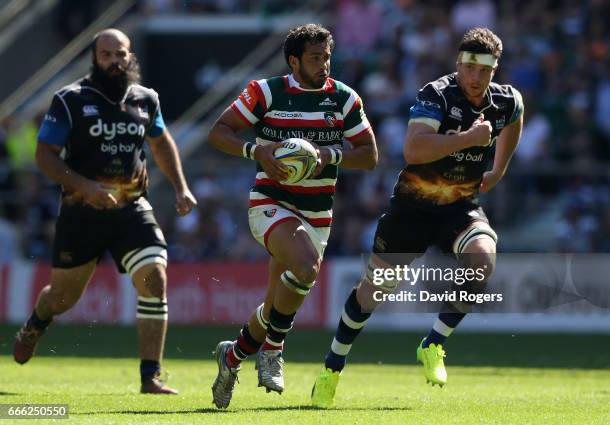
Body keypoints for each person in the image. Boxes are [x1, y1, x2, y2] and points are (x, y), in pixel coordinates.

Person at [311, 27, 524, 407]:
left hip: (460, 207)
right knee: (371, 293)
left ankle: (434, 343)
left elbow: (516, 117)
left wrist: (499, 169)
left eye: (485, 70)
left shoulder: (505, 101)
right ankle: (332, 366)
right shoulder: (436, 94)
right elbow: (413, 149)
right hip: (412, 208)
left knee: (482, 259)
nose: (476, 77)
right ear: (458, 64)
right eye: (470, 67)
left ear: (495, 70)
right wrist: (468, 139)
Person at [12, 28, 197, 394]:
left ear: (131, 57)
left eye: (121, 54)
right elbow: (43, 156)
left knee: (155, 278)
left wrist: (180, 187)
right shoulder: (70, 100)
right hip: (82, 211)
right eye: (107, 54)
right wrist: (87, 187)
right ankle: (36, 323)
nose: (115, 61)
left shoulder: (147, 99)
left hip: (132, 207)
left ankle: (151, 376)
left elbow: (161, 144)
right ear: (95, 59)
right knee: (63, 298)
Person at [207, 23, 377, 408]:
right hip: (271, 204)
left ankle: (231, 357)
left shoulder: (345, 99)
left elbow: (369, 155)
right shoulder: (265, 92)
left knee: (273, 308)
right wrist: (257, 151)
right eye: (315, 59)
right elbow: (218, 132)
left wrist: (328, 155)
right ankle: (273, 351)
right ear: (294, 61)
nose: (324, 66)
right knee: (306, 265)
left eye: (327, 57)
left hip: (317, 214)